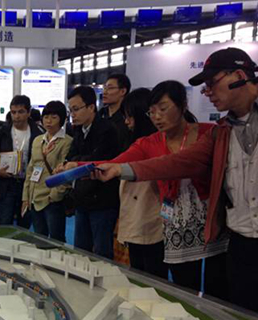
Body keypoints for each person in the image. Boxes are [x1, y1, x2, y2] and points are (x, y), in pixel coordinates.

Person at [95, 48, 258, 316]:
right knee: (248, 317)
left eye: (212, 83)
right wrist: (121, 169)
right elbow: (178, 162)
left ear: (239, 76)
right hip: (241, 242)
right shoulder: (221, 132)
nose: (207, 92)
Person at [61, 86, 121, 259]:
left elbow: (99, 159)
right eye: (70, 110)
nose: (73, 114)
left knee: (102, 252)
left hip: (102, 200)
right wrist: (69, 163)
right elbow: (71, 155)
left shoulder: (107, 130)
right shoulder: (78, 129)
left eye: (76, 109)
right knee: (80, 251)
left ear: (91, 107)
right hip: (82, 198)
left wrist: (75, 163)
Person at [116, 88, 167, 279]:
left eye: (130, 116)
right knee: (137, 271)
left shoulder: (159, 145)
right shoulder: (136, 142)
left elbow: (113, 165)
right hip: (135, 217)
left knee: (153, 273)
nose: (127, 122)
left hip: (152, 218)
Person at [0, 95, 43, 228]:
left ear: (28, 112)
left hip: (28, 184)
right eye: (13, 112)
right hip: (6, 184)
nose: (16, 116)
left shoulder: (38, 134)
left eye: (21, 112)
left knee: (25, 223)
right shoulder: (2, 132)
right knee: (4, 223)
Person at [22, 101, 72, 242]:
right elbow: (31, 169)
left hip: (52, 198)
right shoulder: (38, 140)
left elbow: (65, 172)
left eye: (54, 117)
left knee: (56, 239)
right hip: (35, 196)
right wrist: (26, 196)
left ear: (62, 119)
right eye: (46, 117)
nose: (49, 121)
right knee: (39, 237)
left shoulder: (67, 142)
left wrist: (54, 196)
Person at [100, 73, 132, 151]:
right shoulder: (100, 114)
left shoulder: (128, 117)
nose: (104, 92)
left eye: (110, 88)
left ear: (123, 91)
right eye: (104, 88)